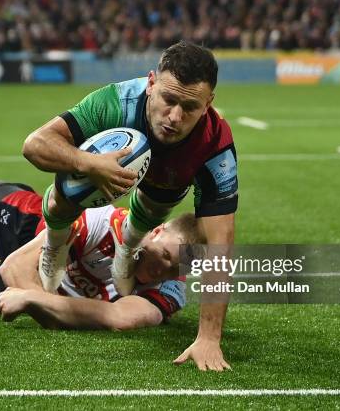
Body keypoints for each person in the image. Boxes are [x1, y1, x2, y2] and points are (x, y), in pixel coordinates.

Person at [21, 41, 237, 371]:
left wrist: (209, 338)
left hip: (164, 182)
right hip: (105, 163)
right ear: (151, 83)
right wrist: (87, 162)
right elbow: (35, 145)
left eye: (190, 107)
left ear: (209, 103)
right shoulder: (115, 102)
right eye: (169, 100)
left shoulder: (216, 144)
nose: (175, 117)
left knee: (154, 205)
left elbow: (221, 245)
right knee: (64, 192)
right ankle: (54, 247)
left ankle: (128, 247)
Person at [0, 180, 200, 330]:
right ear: (157, 231)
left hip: (38, 283)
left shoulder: (171, 291)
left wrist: (31, 298)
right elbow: (14, 268)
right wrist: (50, 312)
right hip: (35, 234)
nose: (161, 269)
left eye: (173, 268)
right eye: (164, 254)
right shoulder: (101, 221)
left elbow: (119, 318)